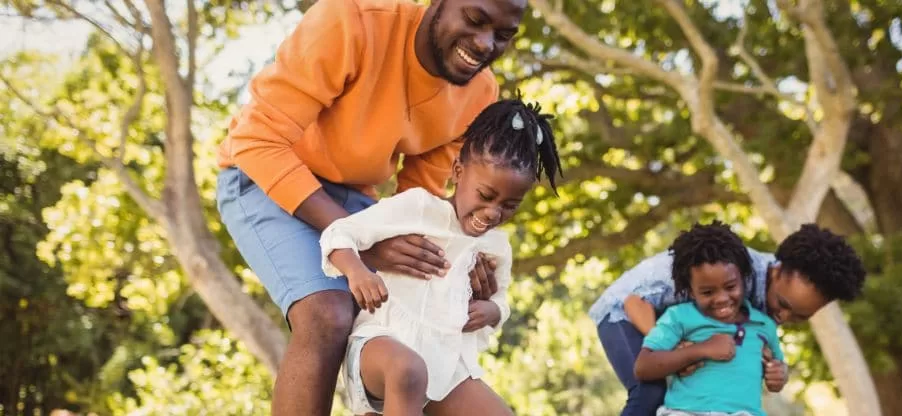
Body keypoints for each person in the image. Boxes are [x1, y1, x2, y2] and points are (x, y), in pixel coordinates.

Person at [213, 0, 528, 413]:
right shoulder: (350, 21)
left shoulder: (479, 93)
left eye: (503, 35)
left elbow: (421, 198)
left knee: (411, 320)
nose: (485, 43)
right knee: (327, 314)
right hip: (265, 175)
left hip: (360, 203)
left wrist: (457, 263)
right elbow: (257, 141)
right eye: (474, 19)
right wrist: (361, 243)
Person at [319, 97, 562, 415]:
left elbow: (501, 300)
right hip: (382, 345)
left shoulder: (497, 246)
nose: (493, 213)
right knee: (409, 372)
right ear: (458, 171)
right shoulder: (419, 206)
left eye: (509, 205)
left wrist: (492, 311)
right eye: (486, 195)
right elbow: (338, 234)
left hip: (445, 366)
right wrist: (357, 271)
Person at [589, 223, 866, 416]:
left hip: (676, 331)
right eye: (783, 305)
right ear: (777, 269)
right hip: (625, 313)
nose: (783, 317)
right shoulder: (727, 268)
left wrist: (774, 367)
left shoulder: (761, 310)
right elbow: (635, 301)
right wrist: (676, 352)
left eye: (800, 317)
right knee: (651, 391)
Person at [632, 222, 786, 416]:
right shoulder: (679, 317)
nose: (721, 298)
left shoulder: (765, 325)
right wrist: (701, 349)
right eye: (707, 292)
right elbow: (643, 367)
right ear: (690, 291)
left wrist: (779, 376)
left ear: (744, 278)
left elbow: (778, 368)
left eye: (730, 287)